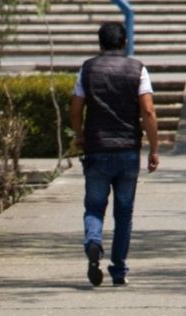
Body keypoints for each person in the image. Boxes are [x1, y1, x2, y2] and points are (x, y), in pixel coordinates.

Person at [70, 22, 159, 287]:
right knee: (124, 213)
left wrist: (79, 135)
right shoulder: (138, 69)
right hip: (128, 151)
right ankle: (118, 270)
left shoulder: (87, 69)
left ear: (100, 43)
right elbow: (149, 111)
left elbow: (75, 110)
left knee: (94, 206)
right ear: (125, 42)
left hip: (97, 149)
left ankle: (94, 242)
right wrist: (154, 148)